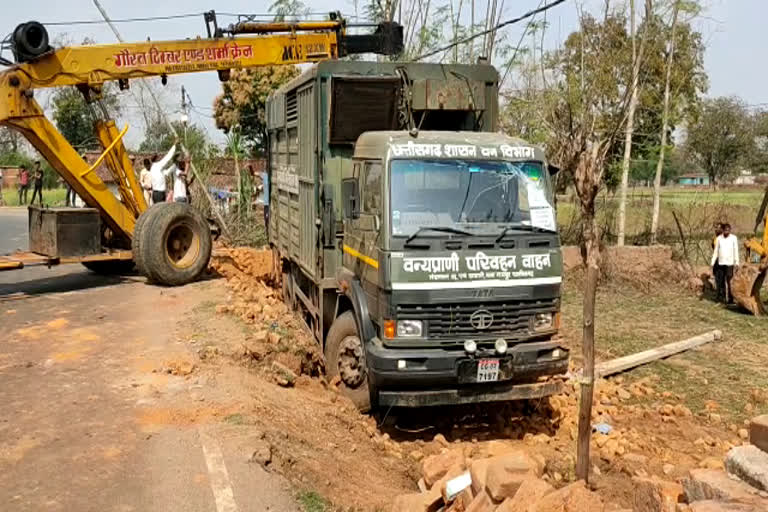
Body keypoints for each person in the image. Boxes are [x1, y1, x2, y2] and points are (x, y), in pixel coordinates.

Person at [711, 223, 739, 304]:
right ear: (723, 230)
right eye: (725, 230)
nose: (727, 231)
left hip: (730, 263)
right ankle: (722, 298)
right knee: (721, 280)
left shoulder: (734, 238)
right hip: (721, 262)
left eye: (728, 230)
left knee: (729, 281)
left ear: (730, 230)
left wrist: (736, 262)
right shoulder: (719, 238)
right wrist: (712, 262)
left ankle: (731, 298)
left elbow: (736, 250)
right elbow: (716, 251)